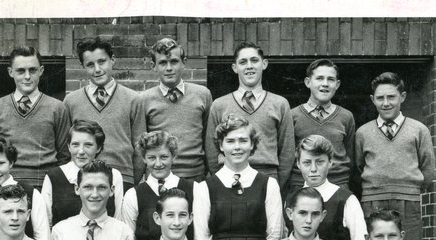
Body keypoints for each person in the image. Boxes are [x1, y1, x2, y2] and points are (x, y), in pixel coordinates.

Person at [355, 71, 435, 240]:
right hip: (373, 201)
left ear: (402, 97)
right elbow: (358, 166)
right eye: (380, 98)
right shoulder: (363, 132)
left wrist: (408, 188)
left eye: (391, 97)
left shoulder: (419, 130)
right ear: (373, 100)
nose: (386, 103)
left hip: (408, 201)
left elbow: (428, 169)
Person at [205, 42, 294, 189]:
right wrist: (221, 179)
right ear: (235, 68)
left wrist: (276, 184)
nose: (249, 66)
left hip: (267, 177)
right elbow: (211, 149)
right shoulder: (219, 105)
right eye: (243, 62)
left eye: (254, 60)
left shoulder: (280, 104)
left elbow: (287, 151)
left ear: (264, 64)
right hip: (229, 177)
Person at [63, 37, 146, 187]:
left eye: (102, 62)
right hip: (83, 179)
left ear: (112, 60)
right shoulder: (71, 101)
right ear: (83, 66)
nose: (97, 69)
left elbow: (140, 148)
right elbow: (66, 147)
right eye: (90, 64)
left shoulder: (133, 99)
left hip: (122, 178)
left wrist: (131, 181)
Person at [0, 46, 71, 189]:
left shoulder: (57, 108)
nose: (27, 76)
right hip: (7, 185)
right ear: (10, 72)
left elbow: (64, 155)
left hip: (45, 184)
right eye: (20, 71)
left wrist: (55, 186)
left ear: (41, 71)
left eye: (32, 70)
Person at [118, 130, 208, 240]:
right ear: (144, 158)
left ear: (173, 157)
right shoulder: (133, 195)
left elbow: (201, 238)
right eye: (151, 158)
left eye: (164, 157)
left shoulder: (195, 189)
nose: (158, 164)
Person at [138, 38, 212, 181]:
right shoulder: (144, 99)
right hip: (159, 176)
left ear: (184, 63)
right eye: (163, 63)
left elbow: (208, 139)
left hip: (194, 175)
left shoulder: (202, 94)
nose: (169, 68)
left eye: (174, 62)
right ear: (154, 66)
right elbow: (141, 144)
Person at [294, 134, 370, 240]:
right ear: (298, 164)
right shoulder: (291, 199)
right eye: (307, 162)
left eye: (319, 162)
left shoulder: (346, 199)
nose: (313, 169)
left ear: (330, 162)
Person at [41, 119, 124, 225]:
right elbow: (46, 223)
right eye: (75, 144)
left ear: (98, 148)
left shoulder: (113, 175)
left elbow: (117, 220)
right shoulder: (54, 176)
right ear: (69, 146)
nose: (81, 151)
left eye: (88, 145)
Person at [289, 59, 356, 189]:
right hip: (302, 186)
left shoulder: (346, 116)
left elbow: (351, 156)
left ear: (337, 84)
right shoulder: (292, 116)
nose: (325, 84)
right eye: (319, 78)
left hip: (338, 185)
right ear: (308, 82)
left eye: (330, 79)